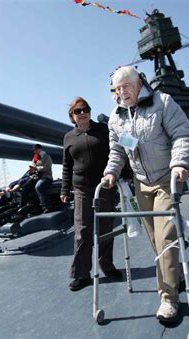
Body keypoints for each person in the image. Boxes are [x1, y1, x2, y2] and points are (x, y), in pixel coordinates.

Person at [102, 66, 189, 322]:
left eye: (126, 87)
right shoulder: (116, 117)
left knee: (166, 237)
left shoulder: (162, 102)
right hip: (141, 183)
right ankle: (173, 277)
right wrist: (111, 172)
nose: (121, 93)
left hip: (167, 179)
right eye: (117, 89)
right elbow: (118, 151)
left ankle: (168, 299)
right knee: (156, 240)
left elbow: (183, 134)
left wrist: (180, 162)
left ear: (139, 83)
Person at [61, 97, 122, 292]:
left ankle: (107, 266)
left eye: (85, 109)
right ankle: (81, 274)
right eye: (77, 111)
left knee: (106, 228)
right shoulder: (68, 137)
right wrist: (64, 189)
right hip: (81, 189)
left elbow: (122, 144)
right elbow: (66, 166)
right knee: (82, 231)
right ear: (72, 116)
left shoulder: (103, 130)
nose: (82, 113)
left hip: (105, 186)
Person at [20, 144, 53, 213]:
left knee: (38, 186)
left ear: (39, 149)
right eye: (34, 150)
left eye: (35, 150)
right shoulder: (35, 158)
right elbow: (32, 165)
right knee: (25, 187)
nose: (34, 152)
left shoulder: (47, 157)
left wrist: (36, 168)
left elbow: (47, 167)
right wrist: (31, 169)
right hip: (36, 177)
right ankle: (24, 206)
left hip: (46, 177)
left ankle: (47, 206)